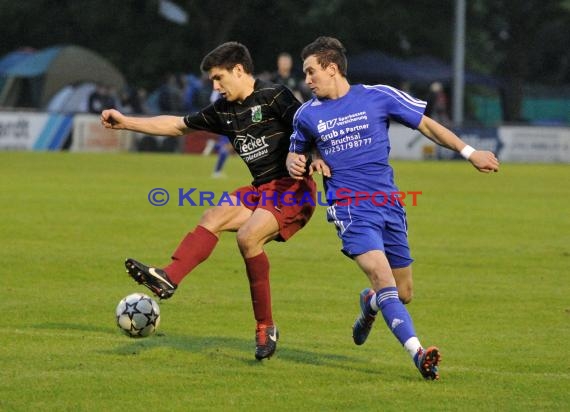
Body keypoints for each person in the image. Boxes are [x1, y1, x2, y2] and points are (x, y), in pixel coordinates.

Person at [286, 36, 500, 380]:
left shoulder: (378, 96)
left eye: (311, 72)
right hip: (349, 207)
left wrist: (469, 152)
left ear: (332, 68)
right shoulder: (307, 114)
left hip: (388, 204)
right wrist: (300, 162)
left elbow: (426, 124)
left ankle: (369, 305)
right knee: (382, 278)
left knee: (402, 293)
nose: (307, 80)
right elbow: (294, 152)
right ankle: (419, 354)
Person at [101, 42, 317, 360]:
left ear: (239, 70)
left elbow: (311, 128)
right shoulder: (224, 111)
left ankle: (265, 327)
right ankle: (169, 277)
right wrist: (127, 123)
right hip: (262, 189)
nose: (215, 86)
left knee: (247, 238)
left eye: (218, 78)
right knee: (213, 215)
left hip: (293, 190)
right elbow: (177, 125)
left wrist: (309, 157)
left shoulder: (274, 96)